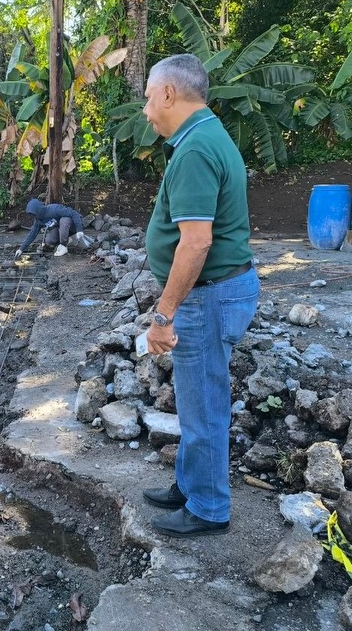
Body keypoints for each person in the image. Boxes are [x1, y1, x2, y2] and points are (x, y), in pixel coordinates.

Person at [140, 54, 260, 537]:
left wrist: (164, 314)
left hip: (208, 298)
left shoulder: (193, 152)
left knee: (204, 402)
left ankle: (209, 507)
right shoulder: (206, 136)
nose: (147, 110)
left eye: (149, 98)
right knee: (195, 398)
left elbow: (196, 242)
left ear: (169, 93)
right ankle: (191, 484)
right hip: (218, 292)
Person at [14, 198, 90, 258]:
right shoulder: (38, 220)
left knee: (64, 220)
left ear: (38, 210)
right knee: (50, 240)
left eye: (34, 214)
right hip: (62, 230)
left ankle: (64, 246)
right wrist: (21, 249)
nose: (34, 216)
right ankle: (67, 239)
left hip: (73, 226)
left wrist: (79, 229)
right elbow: (32, 233)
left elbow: (73, 214)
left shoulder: (54, 209)